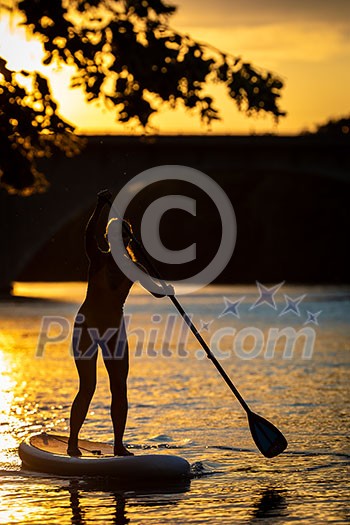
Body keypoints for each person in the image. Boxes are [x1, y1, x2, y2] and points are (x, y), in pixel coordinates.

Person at [67, 189, 173, 457]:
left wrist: (167, 287)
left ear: (128, 240)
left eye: (122, 236)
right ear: (109, 239)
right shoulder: (98, 258)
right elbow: (87, 235)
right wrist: (100, 206)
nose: (117, 240)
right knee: (87, 386)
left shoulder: (135, 267)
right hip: (87, 328)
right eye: (113, 236)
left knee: (119, 387)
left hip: (114, 331)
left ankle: (118, 445)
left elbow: (158, 292)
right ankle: (72, 443)